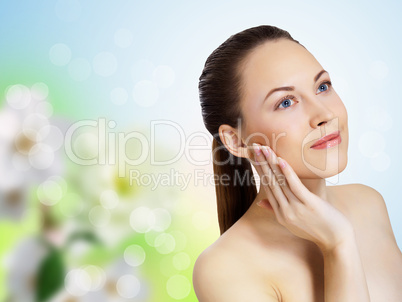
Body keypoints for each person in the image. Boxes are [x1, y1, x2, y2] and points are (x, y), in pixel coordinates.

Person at [193, 25, 402, 301]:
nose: (324, 114)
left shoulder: (369, 202)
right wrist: (338, 244)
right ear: (236, 141)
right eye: (286, 102)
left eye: (322, 86)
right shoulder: (224, 268)